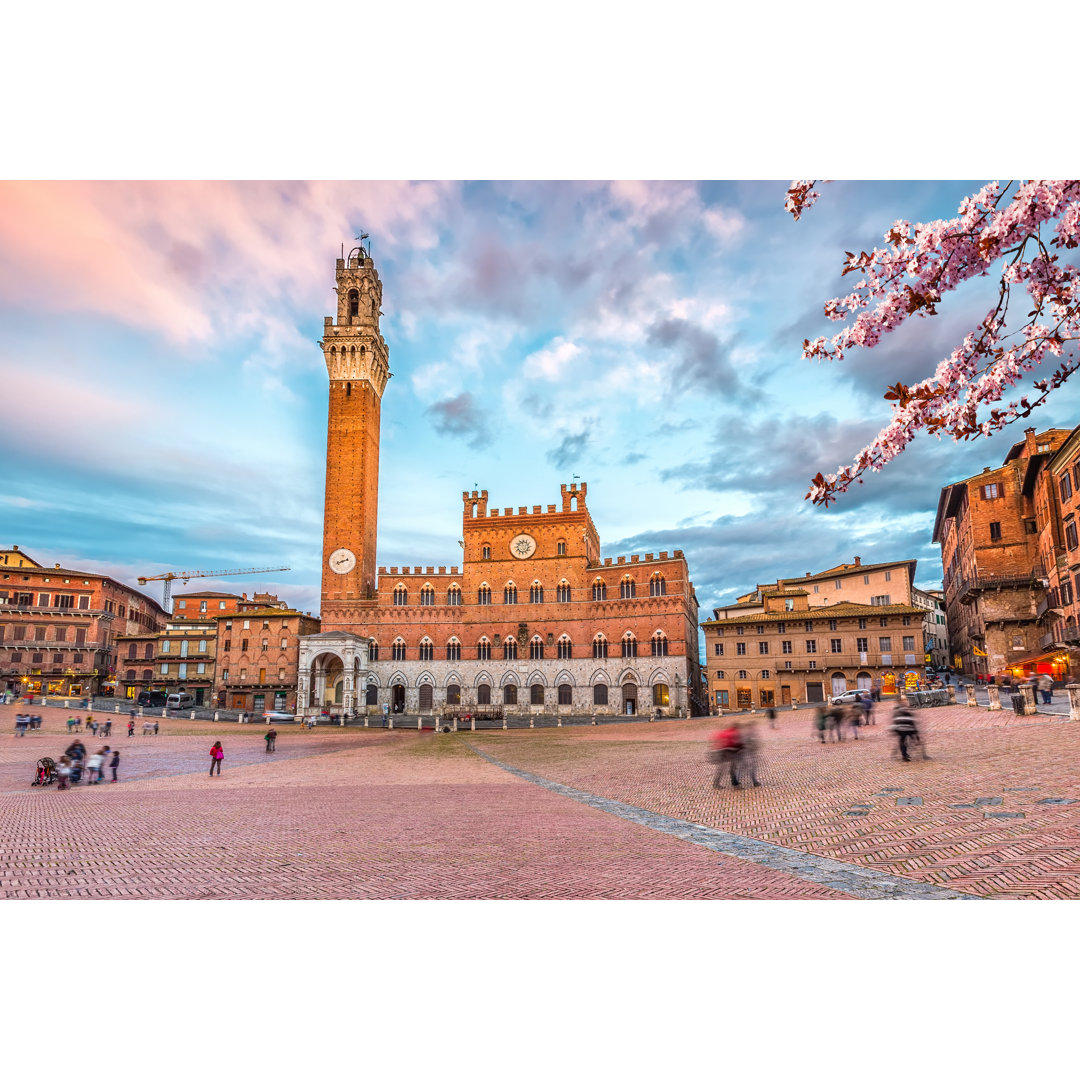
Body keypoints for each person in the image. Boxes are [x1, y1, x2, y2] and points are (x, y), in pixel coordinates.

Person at [710, 721, 743, 788]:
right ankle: (734, 783)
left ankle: (716, 783)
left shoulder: (725, 732)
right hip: (730, 752)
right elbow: (737, 743)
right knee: (732, 768)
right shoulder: (735, 733)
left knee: (721, 768)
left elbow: (717, 740)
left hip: (721, 752)